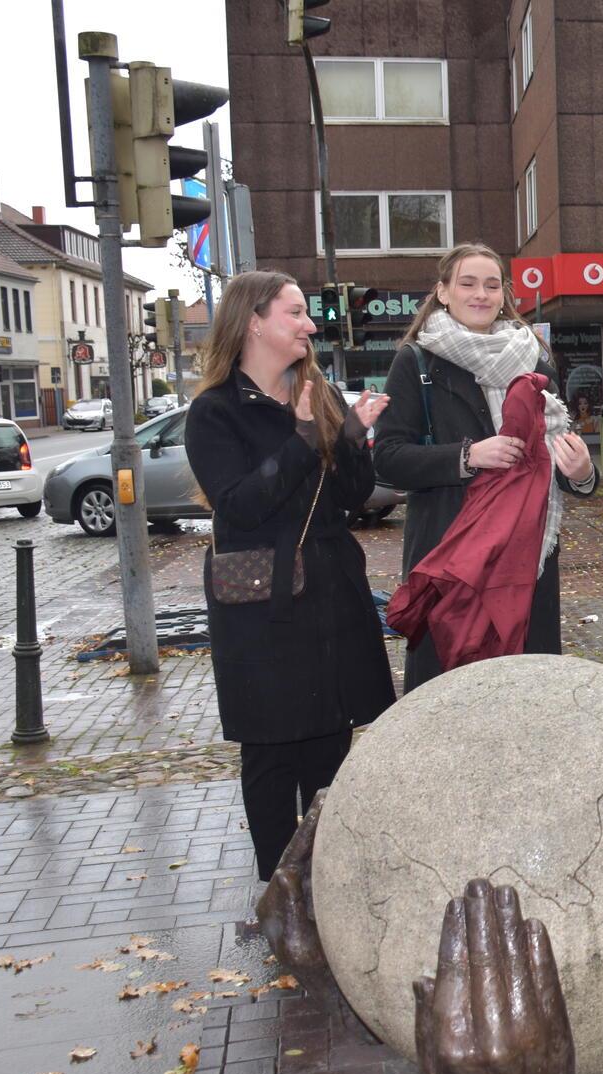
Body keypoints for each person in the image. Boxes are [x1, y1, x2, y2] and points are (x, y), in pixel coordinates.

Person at [185, 270, 395, 881]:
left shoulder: (319, 393)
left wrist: (351, 437)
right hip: (264, 609)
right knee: (273, 752)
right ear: (253, 321)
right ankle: (280, 892)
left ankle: (326, 888)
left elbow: (349, 500)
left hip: (331, 596)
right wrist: (305, 437)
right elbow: (243, 506)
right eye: (295, 313)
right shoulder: (215, 411)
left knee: (331, 745)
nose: (309, 325)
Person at [373, 242, 596, 693]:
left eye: (492, 285)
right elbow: (388, 458)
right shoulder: (417, 361)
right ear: (443, 291)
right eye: (468, 283)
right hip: (452, 554)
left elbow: (549, 458)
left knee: (526, 691)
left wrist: (582, 473)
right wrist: (468, 456)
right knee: (450, 693)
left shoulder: (533, 359)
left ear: (504, 294)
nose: (481, 294)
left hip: (525, 555)